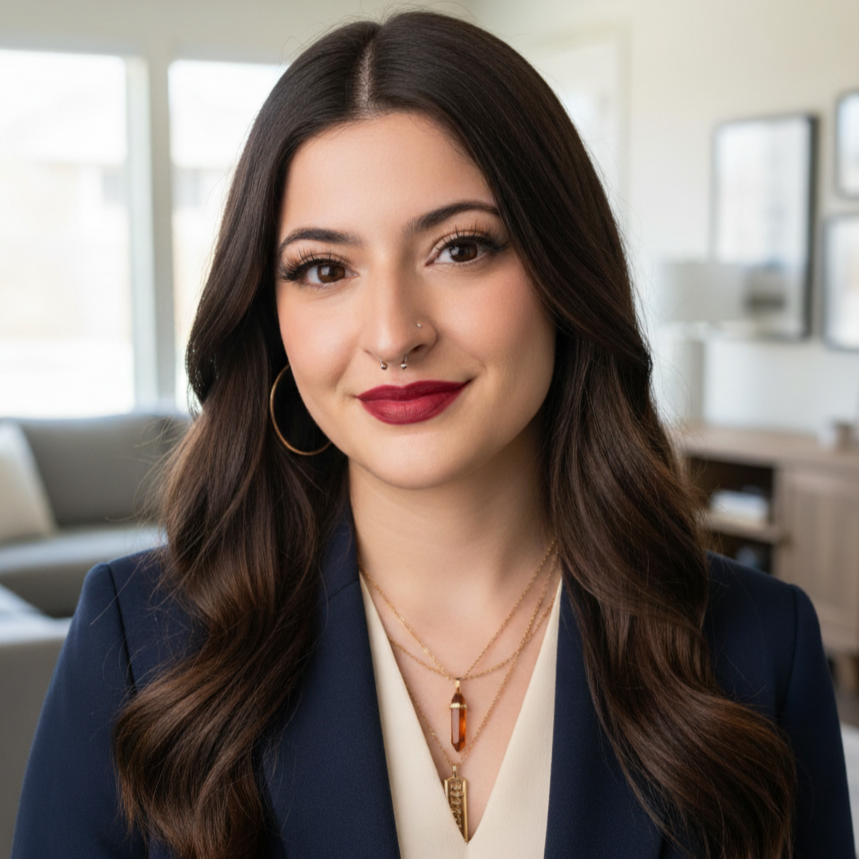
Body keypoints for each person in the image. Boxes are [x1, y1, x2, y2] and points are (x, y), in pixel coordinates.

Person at [12, 10, 854, 859]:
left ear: (564, 270)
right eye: (324, 268)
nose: (393, 335)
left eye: (459, 248)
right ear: (270, 315)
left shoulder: (759, 647)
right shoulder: (138, 640)